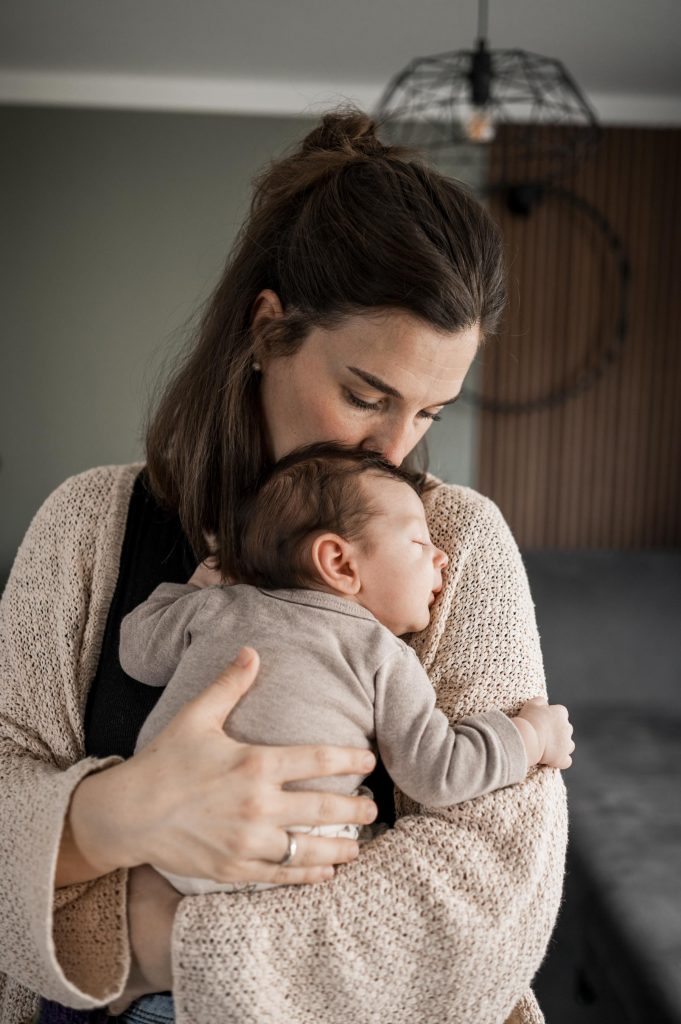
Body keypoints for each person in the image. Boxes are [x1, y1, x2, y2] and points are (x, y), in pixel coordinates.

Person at [0, 104, 569, 1024]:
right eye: (364, 395)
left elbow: (493, 880)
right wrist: (120, 812)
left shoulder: (453, 548)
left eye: (428, 413)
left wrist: (154, 941)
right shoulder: (86, 528)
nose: (394, 451)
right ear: (268, 332)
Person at [119, 442, 573, 907]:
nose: (442, 558)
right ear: (340, 563)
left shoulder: (219, 607)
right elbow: (437, 772)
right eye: (419, 542)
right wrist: (530, 736)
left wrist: (198, 587)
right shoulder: (382, 654)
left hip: (164, 835)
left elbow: (137, 652)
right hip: (293, 855)